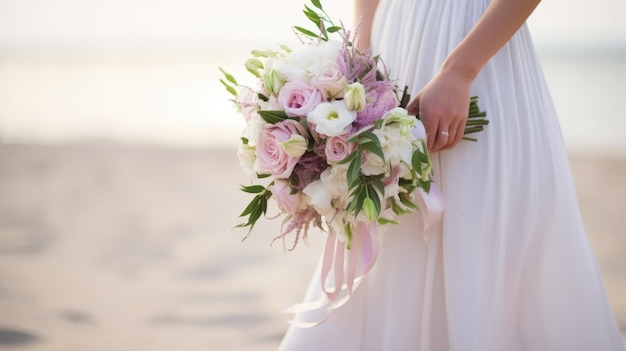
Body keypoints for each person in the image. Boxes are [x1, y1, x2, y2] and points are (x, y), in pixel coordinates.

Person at [278, 0, 625, 349]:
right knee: (395, 235)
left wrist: (461, 71)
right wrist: (360, 62)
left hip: (476, 45)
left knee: (482, 229)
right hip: (394, 43)